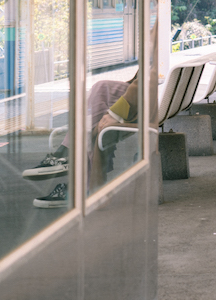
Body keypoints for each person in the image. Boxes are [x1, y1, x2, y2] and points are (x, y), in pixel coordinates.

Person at [22, 74, 138, 208]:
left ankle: (69, 162)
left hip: (145, 97)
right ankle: (85, 186)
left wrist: (116, 113)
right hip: (143, 93)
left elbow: (147, 78)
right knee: (96, 111)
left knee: (101, 90)